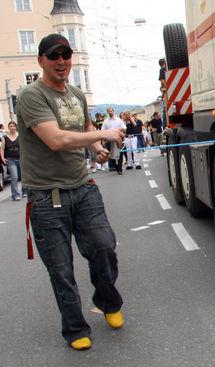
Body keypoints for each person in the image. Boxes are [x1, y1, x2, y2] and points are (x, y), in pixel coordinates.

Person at [16, 34, 126, 351]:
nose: (62, 61)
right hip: (46, 197)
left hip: (83, 188)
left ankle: (107, 301)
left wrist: (95, 146)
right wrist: (106, 133)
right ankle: (75, 328)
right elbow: (56, 139)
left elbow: (83, 129)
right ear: (41, 61)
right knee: (61, 270)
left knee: (105, 248)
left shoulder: (76, 94)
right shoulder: (31, 95)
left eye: (66, 54)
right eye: (54, 55)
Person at [0, 121, 26, 200]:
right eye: (10, 126)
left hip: (21, 159)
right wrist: (2, 158)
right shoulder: (5, 138)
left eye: (13, 126)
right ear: (8, 127)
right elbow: (2, 149)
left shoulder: (20, 136)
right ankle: (15, 195)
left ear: (16, 127)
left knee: (23, 176)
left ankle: (25, 191)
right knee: (14, 177)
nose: (12, 128)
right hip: (10, 160)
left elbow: (24, 147)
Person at [102, 107, 126, 174]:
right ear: (107, 112)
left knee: (120, 154)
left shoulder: (119, 120)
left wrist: (119, 131)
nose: (110, 112)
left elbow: (124, 128)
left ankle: (120, 169)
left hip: (118, 139)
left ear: (113, 111)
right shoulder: (105, 121)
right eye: (109, 111)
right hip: (110, 140)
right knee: (110, 156)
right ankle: (116, 167)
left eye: (111, 111)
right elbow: (102, 131)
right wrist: (103, 141)